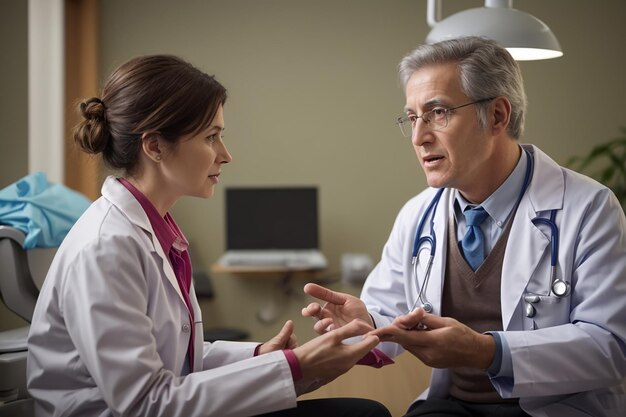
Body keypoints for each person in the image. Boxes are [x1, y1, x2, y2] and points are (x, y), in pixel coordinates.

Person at [26, 54, 391, 417]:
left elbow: (180, 358)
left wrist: (258, 356)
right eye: (211, 137)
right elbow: (145, 403)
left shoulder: (154, 229)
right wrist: (296, 367)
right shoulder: (107, 248)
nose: (226, 155)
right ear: (154, 146)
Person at [302, 37, 626, 417]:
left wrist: (485, 352)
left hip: (555, 409)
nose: (420, 137)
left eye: (438, 113)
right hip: (450, 406)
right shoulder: (418, 213)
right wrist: (366, 323)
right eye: (412, 118)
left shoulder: (588, 207)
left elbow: (613, 346)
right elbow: (388, 311)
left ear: (498, 116)